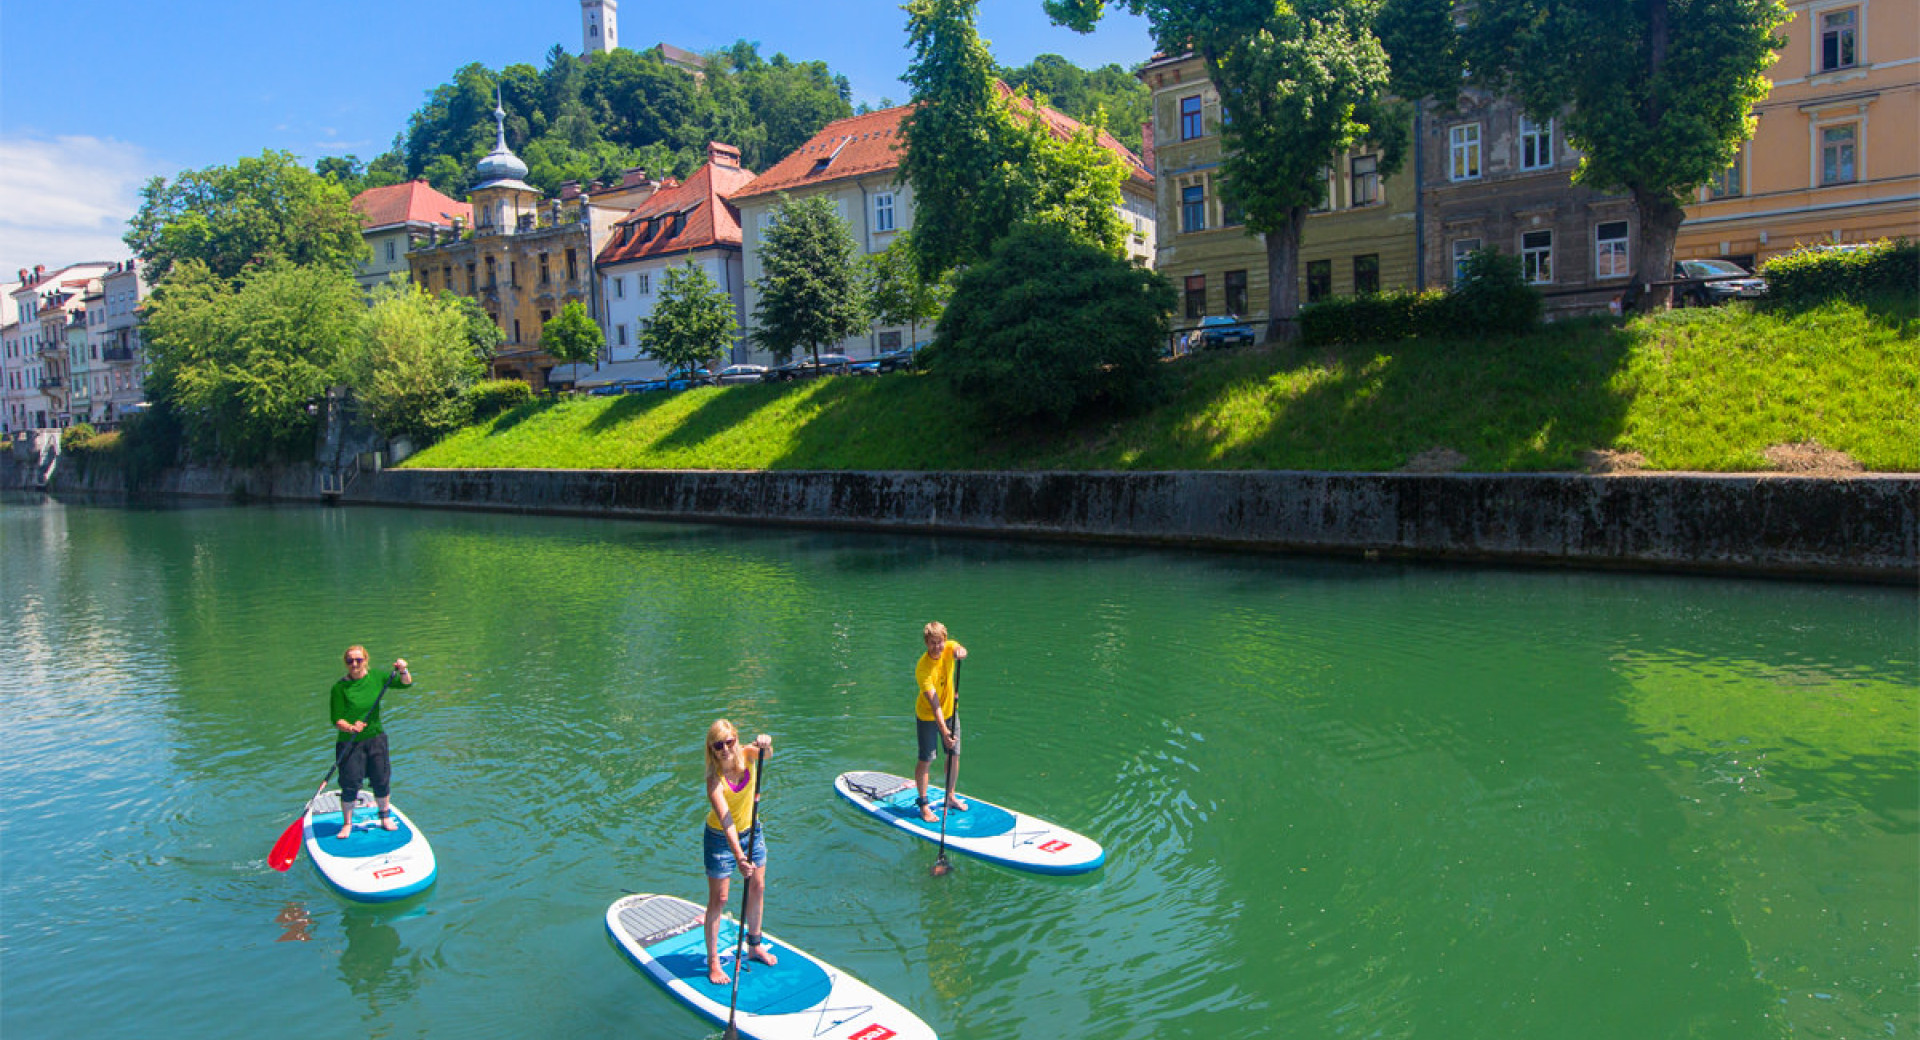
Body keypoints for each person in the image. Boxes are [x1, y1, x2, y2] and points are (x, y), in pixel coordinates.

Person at [703, 719, 775, 986]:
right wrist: (739, 857)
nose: (725, 749)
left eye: (729, 742)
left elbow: (766, 754)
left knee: (758, 886)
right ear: (712, 749)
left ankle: (754, 945)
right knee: (719, 899)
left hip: (752, 831)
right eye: (718, 745)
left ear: (736, 739)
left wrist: (766, 744)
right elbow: (726, 821)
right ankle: (713, 963)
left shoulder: (747, 753)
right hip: (721, 839)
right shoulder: (714, 782)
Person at [328, 646, 412, 840]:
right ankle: (348, 823)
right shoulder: (339, 688)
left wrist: (403, 669)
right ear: (346, 663)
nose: (355, 664)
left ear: (365, 660)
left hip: (376, 738)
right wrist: (350, 727)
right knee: (350, 784)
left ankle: (384, 817)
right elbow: (336, 719)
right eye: (350, 661)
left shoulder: (377, 677)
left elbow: (406, 683)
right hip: (349, 742)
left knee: (381, 779)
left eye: (358, 660)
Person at [913, 622, 968, 824]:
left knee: (954, 754)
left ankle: (950, 796)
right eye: (933, 643)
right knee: (927, 759)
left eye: (940, 642)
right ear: (927, 643)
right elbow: (934, 703)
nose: (937, 647)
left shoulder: (948, 647)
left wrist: (961, 651)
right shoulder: (923, 668)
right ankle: (924, 806)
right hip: (928, 715)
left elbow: (958, 649)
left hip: (950, 711)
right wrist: (944, 731)